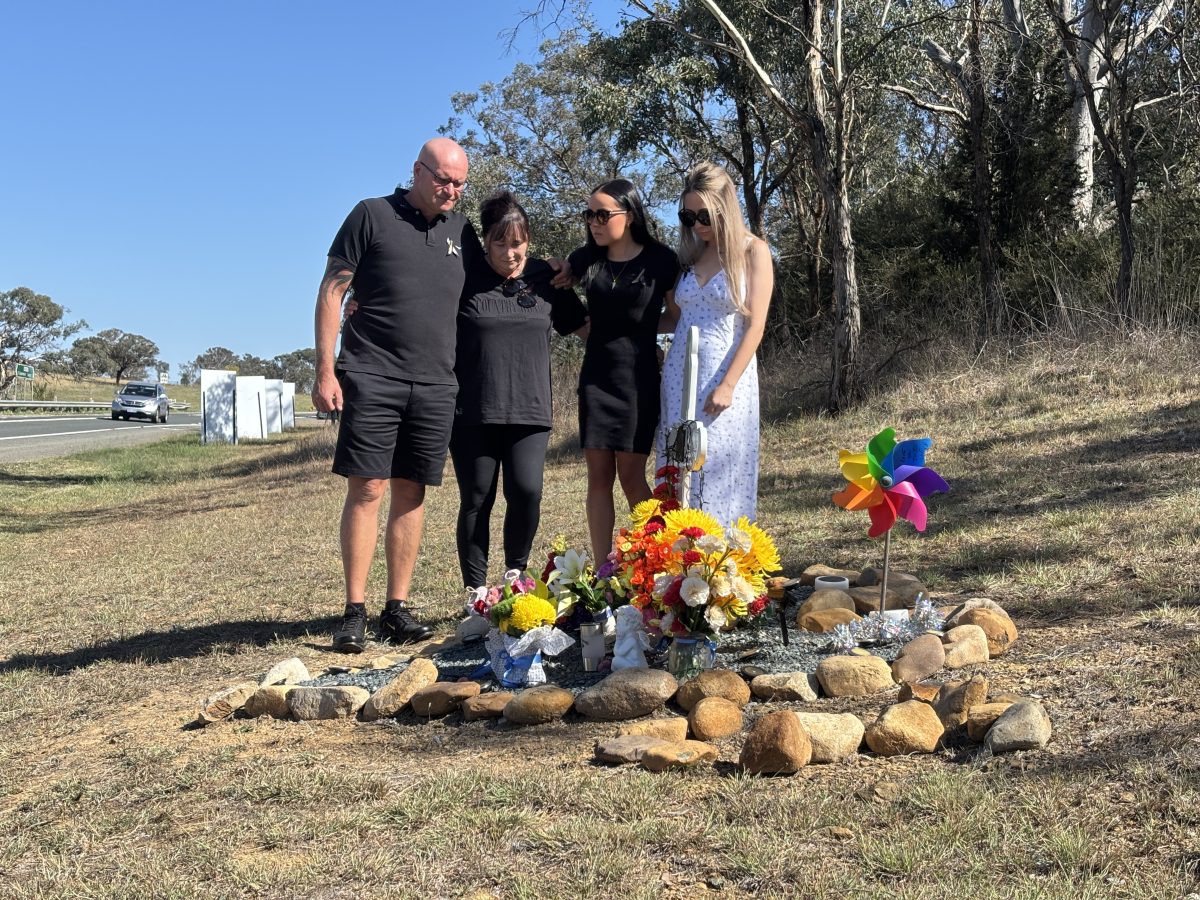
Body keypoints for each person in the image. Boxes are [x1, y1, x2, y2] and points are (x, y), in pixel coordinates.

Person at [312, 137, 481, 653]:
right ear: (417, 170)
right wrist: (325, 370)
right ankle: (354, 611)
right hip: (372, 375)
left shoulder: (461, 231)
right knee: (368, 490)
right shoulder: (370, 215)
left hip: (435, 383)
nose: (451, 191)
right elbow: (332, 290)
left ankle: (396, 609)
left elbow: (501, 268)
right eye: (443, 180)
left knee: (413, 491)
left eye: (459, 184)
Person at [450, 191, 588, 589]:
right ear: (485, 240)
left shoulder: (547, 279)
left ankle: (516, 575)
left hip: (530, 410)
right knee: (477, 500)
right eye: (500, 242)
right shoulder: (464, 278)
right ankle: (474, 592)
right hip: (473, 412)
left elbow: (585, 328)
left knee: (526, 492)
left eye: (518, 243)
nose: (511, 253)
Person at [566, 179, 679, 565]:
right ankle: (603, 570)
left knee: (632, 477)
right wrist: (584, 329)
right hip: (596, 378)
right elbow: (554, 289)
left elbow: (676, 316)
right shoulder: (585, 259)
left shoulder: (661, 259)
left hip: (638, 380)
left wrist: (643, 328)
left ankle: (656, 564)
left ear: (628, 216)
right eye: (589, 215)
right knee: (598, 478)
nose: (594, 222)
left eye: (602, 214)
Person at [657, 162, 774, 525]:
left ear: (726, 205)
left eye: (704, 214)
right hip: (679, 379)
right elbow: (675, 317)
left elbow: (756, 323)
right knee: (679, 470)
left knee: (719, 468)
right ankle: (678, 562)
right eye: (688, 216)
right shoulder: (691, 257)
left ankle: (723, 568)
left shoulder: (753, 251)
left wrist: (728, 384)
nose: (697, 224)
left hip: (725, 379)